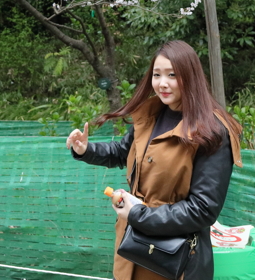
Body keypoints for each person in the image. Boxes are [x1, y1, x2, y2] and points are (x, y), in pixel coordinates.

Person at [67, 41, 243, 280]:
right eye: (157, 74)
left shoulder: (212, 131)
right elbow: (123, 151)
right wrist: (86, 149)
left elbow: (202, 209)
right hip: (132, 249)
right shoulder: (151, 114)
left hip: (175, 258)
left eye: (172, 75)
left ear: (191, 76)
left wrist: (138, 214)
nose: (162, 83)